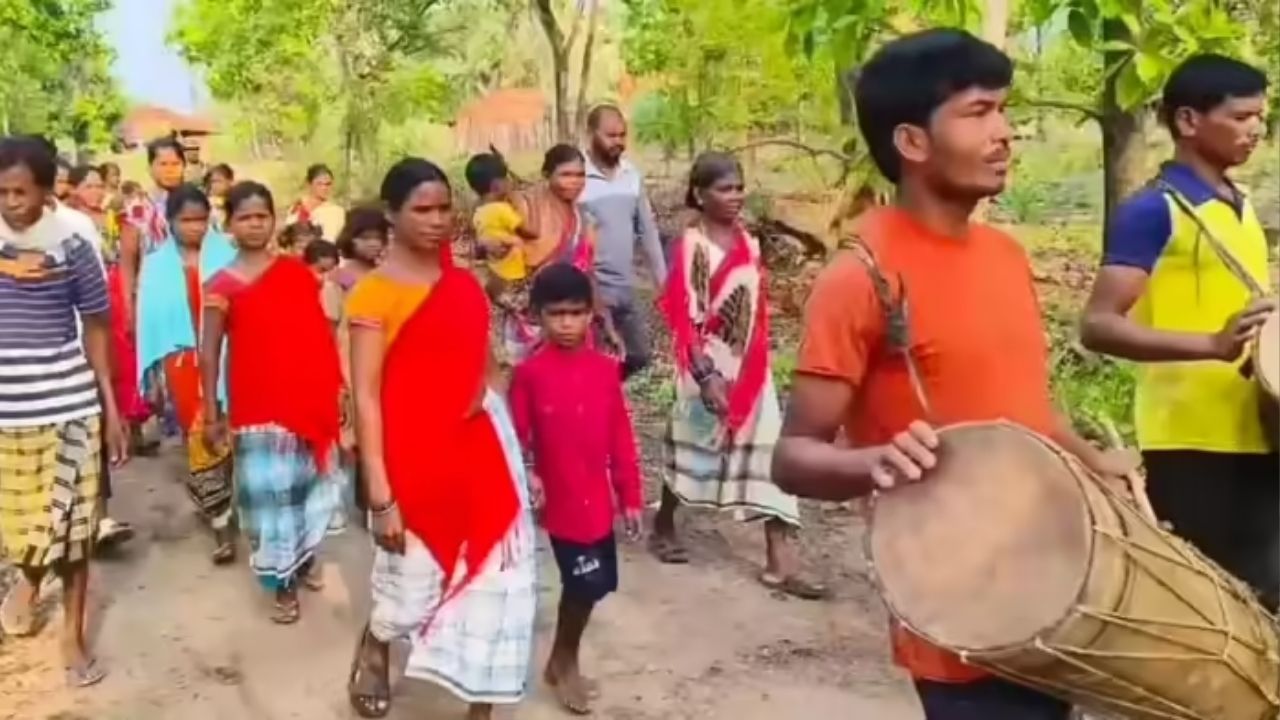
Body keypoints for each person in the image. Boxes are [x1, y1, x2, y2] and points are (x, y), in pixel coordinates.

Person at [770, 30, 1137, 719]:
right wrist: (878, 460)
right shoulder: (861, 278)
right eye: (978, 113)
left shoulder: (1004, 254)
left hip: (1051, 585)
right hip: (959, 610)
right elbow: (793, 458)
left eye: (1005, 111)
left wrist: (1096, 464)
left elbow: (1023, 411)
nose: (1005, 133)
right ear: (911, 142)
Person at [1079, 55, 1277, 610]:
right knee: (1206, 607)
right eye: (1240, 117)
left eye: (1260, 116)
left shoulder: (1238, 204)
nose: (1255, 129)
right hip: (1191, 439)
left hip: (1255, 428)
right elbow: (1097, 325)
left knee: (1262, 600)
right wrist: (1211, 347)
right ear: (1188, 121)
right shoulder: (1155, 210)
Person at [344, 158, 535, 720]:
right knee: (411, 592)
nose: (436, 220)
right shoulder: (373, 296)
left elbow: (486, 375)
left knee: (498, 583)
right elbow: (367, 397)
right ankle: (377, 643)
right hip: (410, 462)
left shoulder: (465, 287)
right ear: (391, 215)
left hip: (477, 453)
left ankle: (482, 706)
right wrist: (381, 495)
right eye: (421, 210)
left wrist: (509, 439)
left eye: (444, 208)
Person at [651, 152, 823, 599]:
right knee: (691, 449)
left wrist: (757, 357)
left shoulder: (750, 242)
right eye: (724, 189)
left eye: (739, 187)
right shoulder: (694, 245)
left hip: (749, 369)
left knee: (768, 453)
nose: (735, 197)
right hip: (705, 368)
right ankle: (664, 524)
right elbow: (685, 316)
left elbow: (755, 307)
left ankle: (779, 560)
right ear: (700, 195)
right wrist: (705, 375)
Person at [0, 135, 127, 687]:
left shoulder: (74, 243)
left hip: (70, 405)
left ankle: (71, 637)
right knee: (22, 526)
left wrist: (111, 405)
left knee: (74, 531)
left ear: (50, 190)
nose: (9, 202)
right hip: (7, 414)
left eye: (20, 191)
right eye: (0, 192)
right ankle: (26, 579)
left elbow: (97, 325)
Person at [200, 181, 345, 624]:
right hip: (256, 405)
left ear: (274, 219)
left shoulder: (296, 273)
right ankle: (281, 581)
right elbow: (208, 350)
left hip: (303, 400)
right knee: (268, 499)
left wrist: (337, 389)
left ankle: (302, 559)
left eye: (262, 215)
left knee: (304, 487)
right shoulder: (220, 284)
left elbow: (319, 335)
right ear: (229, 225)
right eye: (244, 216)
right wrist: (211, 413)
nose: (255, 223)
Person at [508, 263, 643, 715]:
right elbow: (518, 435)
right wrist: (530, 473)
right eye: (556, 314)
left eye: (576, 313)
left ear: (591, 316)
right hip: (560, 503)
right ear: (538, 316)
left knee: (595, 584)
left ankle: (562, 656)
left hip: (596, 501)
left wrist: (631, 498)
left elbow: (620, 437)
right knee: (582, 580)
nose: (566, 324)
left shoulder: (605, 371)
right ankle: (565, 661)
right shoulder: (529, 374)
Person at [135, 184, 238, 563]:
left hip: (230, 355)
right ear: (170, 221)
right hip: (182, 362)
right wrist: (156, 376)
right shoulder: (158, 264)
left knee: (232, 430)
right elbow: (150, 320)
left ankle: (228, 503)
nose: (194, 227)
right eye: (186, 220)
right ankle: (220, 524)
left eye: (200, 219)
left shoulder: (228, 254)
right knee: (201, 436)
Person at [502, 144, 618, 365]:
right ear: (547, 174)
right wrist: (519, 305)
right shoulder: (526, 209)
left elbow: (587, 273)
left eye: (580, 175)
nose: (574, 181)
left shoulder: (585, 219)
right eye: (565, 174)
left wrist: (606, 322)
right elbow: (501, 267)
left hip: (575, 323)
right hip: (532, 323)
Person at [582, 104, 667, 379]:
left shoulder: (631, 175)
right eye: (610, 135)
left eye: (622, 135)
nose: (618, 142)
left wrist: (662, 282)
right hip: (591, 291)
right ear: (591, 134)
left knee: (639, 355)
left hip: (625, 287)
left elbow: (648, 231)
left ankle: (611, 394)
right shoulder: (575, 177)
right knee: (593, 362)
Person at [121, 136, 188, 333]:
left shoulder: (198, 205)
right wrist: (129, 309)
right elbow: (127, 262)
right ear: (150, 168)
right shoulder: (137, 209)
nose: (170, 169)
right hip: (152, 303)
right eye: (163, 164)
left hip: (192, 299)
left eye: (176, 163)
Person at [466, 152, 539, 285]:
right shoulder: (502, 210)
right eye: (506, 179)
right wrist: (520, 205)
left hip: (494, 272)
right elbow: (531, 233)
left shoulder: (477, 211)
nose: (509, 183)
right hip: (513, 276)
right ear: (496, 185)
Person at [287, 163, 345, 241]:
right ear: (309, 184)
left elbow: (330, 239)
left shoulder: (336, 212)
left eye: (328, 184)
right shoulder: (297, 207)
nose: (324, 188)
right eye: (319, 184)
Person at [203, 163, 235, 231]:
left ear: (230, 181)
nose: (215, 185)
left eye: (219, 181)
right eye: (213, 182)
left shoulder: (238, 201)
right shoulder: (206, 203)